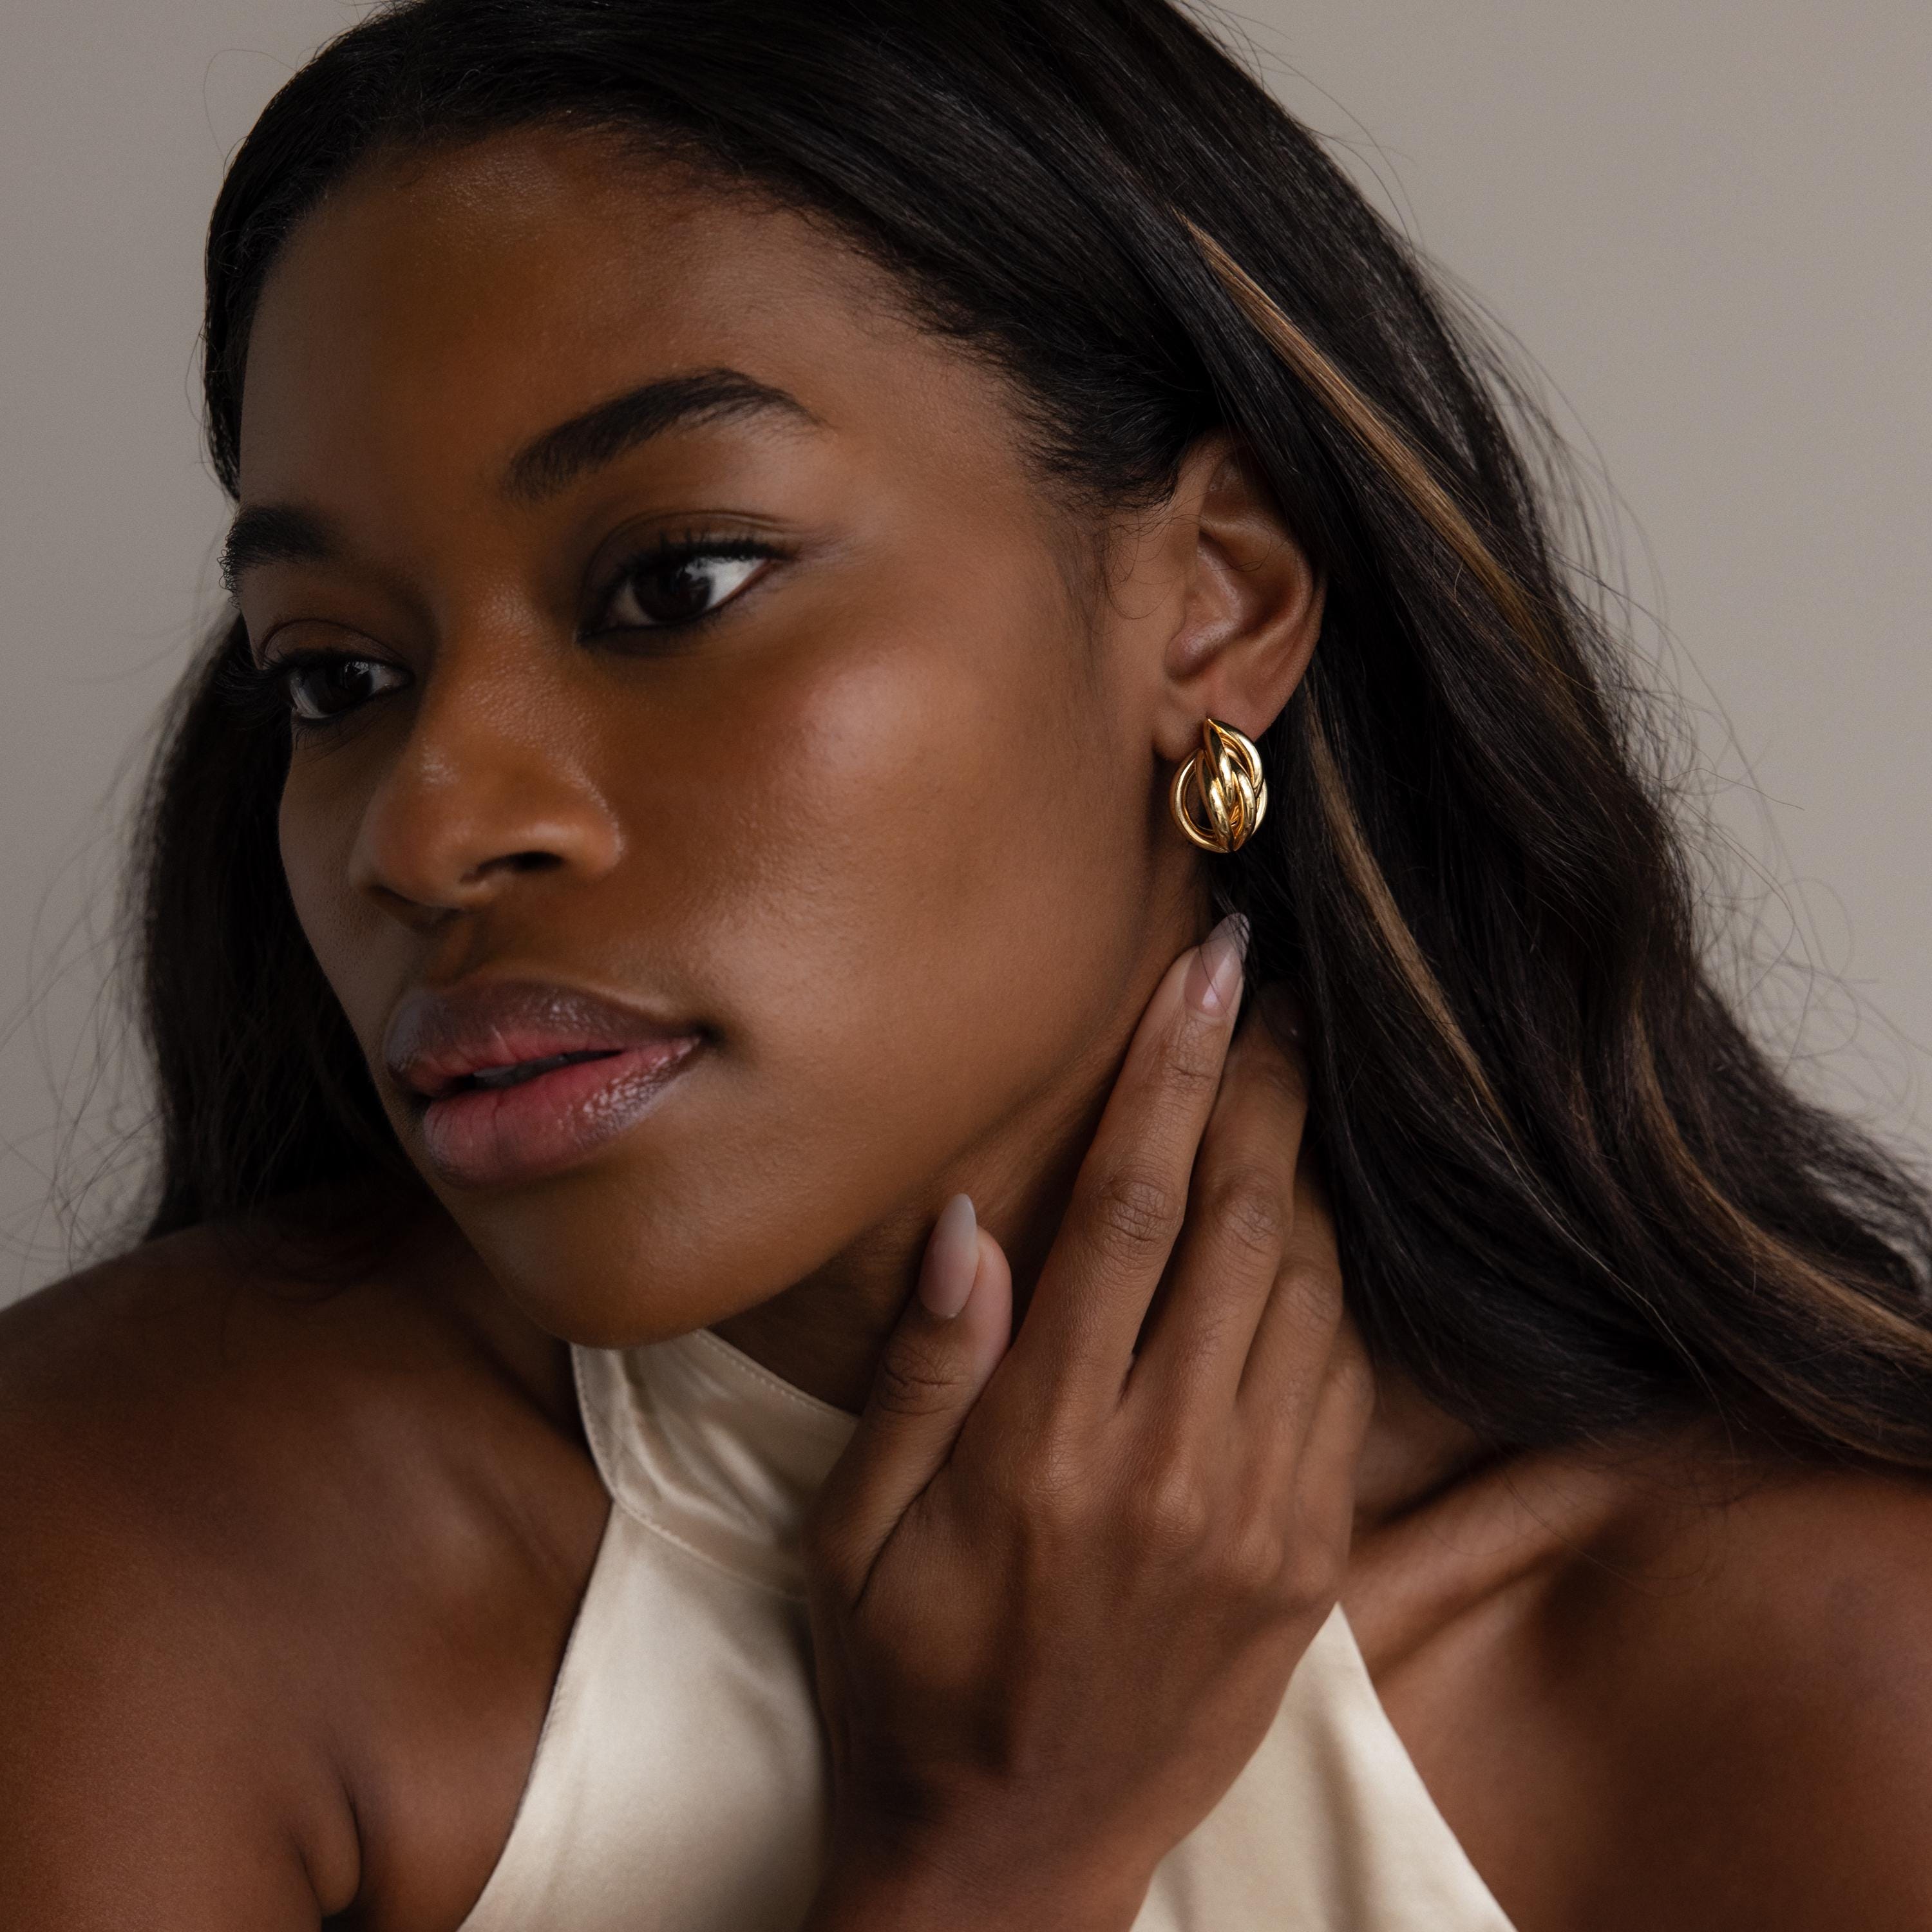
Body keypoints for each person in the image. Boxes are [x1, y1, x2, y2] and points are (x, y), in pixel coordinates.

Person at [5, 0, 1932, 1925]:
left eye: (676, 583)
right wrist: (985, 1867)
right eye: (336, 678)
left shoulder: (1816, 1674)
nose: (421, 829)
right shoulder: (130, 1557)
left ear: (1219, 600)